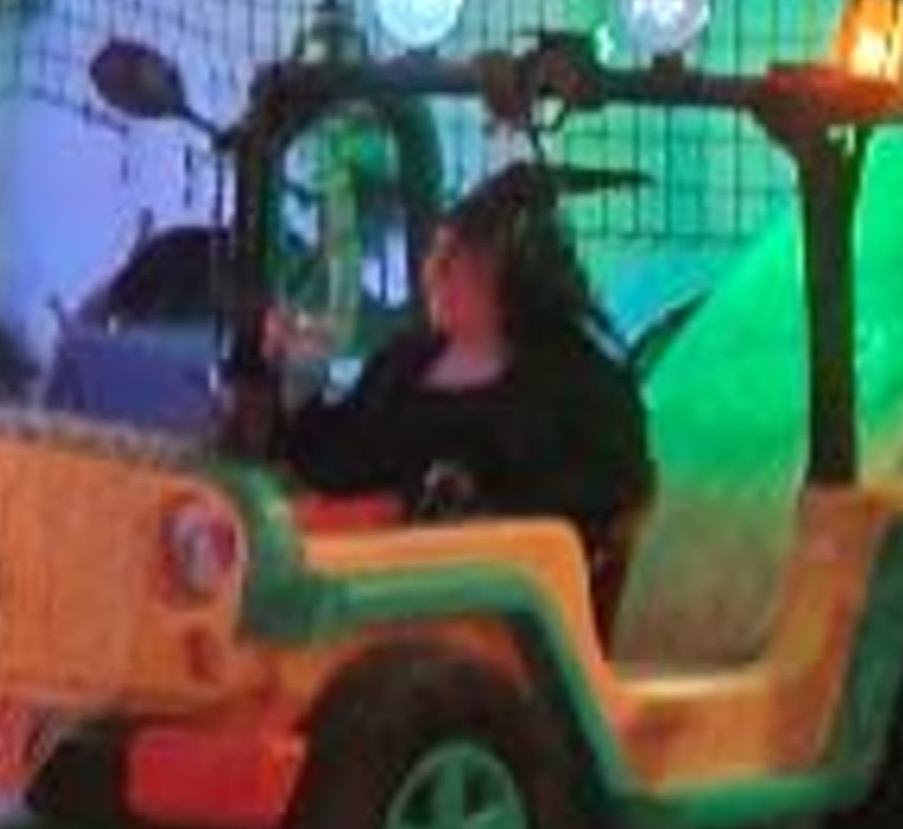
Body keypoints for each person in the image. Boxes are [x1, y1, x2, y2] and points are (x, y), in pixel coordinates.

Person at [271, 162, 654, 581]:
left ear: (514, 275)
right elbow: (336, 468)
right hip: (372, 586)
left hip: (502, 600)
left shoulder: (579, 387)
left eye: (455, 257)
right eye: (436, 252)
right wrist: (303, 383)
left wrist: (447, 516)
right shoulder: (403, 363)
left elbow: (599, 510)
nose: (432, 270)